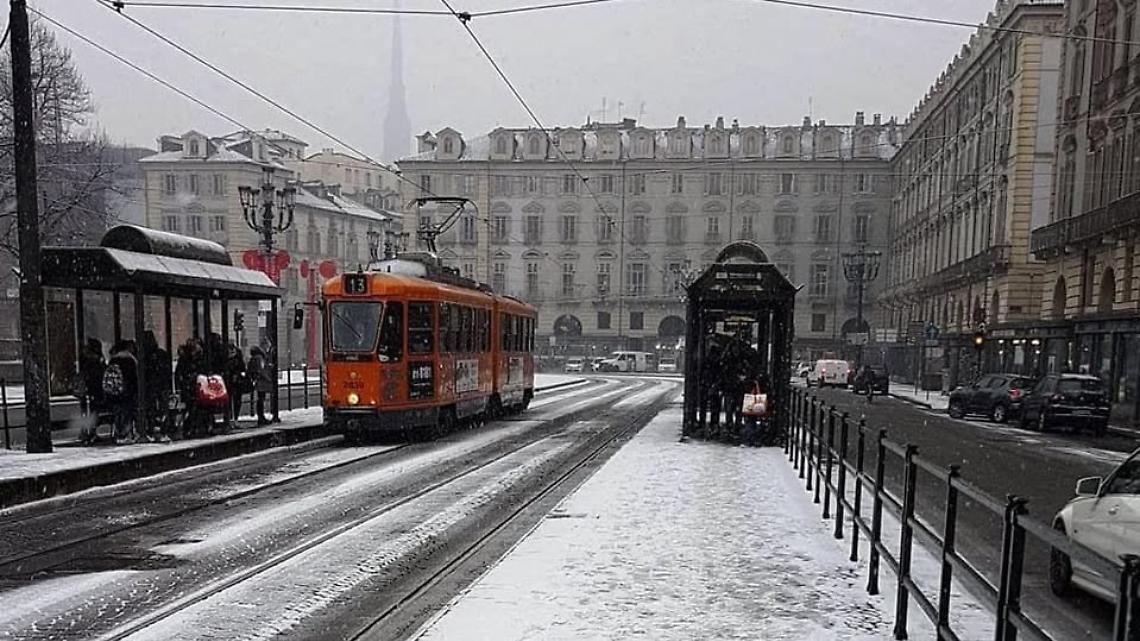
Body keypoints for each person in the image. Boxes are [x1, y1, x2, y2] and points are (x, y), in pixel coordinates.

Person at [105, 340, 139, 444]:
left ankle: (118, 433)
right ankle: (125, 433)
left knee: (118, 412)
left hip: (115, 390)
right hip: (127, 390)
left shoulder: (113, 360)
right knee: (127, 412)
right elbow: (134, 377)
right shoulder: (131, 360)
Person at [141, 331, 173, 442]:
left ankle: (151, 430)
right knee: (162, 409)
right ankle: (162, 431)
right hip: (161, 386)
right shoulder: (161, 354)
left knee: (151, 409)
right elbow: (167, 372)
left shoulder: (143, 356)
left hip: (149, 387)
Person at [175, 337, 208, 438]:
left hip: (192, 386)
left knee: (193, 408)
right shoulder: (190, 359)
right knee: (193, 408)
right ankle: (192, 428)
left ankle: (192, 428)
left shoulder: (187, 359)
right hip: (192, 386)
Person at [246, 345, 274, 426]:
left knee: (260, 399)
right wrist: (268, 378)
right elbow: (261, 370)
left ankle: (261, 417)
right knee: (261, 399)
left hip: (258, 380)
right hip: (262, 381)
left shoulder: (253, 359)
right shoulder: (259, 358)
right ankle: (261, 417)